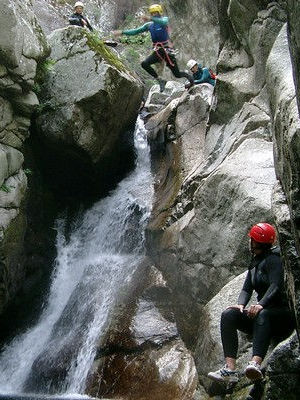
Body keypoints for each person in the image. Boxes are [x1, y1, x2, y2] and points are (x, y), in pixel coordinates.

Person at [208, 223, 295, 384]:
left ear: (256, 242)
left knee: (263, 313)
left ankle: (255, 363)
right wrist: (241, 305)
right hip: (263, 318)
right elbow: (247, 288)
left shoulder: (274, 259)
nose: (250, 242)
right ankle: (230, 369)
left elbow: (276, 285)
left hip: (281, 316)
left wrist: (261, 303)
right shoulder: (255, 261)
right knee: (228, 314)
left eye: (252, 240)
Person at [112, 4, 194, 92]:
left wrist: (150, 18)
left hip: (167, 51)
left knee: (177, 74)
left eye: (156, 13)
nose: (154, 14)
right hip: (158, 51)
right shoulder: (149, 25)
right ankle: (160, 80)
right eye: (152, 13)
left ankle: (191, 79)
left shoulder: (164, 20)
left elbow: (163, 22)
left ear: (160, 13)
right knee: (144, 64)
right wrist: (122, 32)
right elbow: (136, 31)